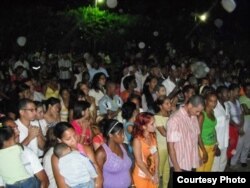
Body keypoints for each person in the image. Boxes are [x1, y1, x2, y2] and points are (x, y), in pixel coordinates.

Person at [51, 122, 102, 188]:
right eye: (68, 139)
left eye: (75, 135)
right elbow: (62, 185)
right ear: (59, 140)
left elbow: (97, 172)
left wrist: (96, 185)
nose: (74, 140)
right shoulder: (57, 157)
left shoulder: (86, 149)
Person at [167, 95, 207, 172]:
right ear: (190, 105)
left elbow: (194, 140)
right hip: (180, 164)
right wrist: (176, 167)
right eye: (197, 111)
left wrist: (198, 156)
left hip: (191, 162)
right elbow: (171, 147)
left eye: (200, 112)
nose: (198, 114)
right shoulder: (175, 120)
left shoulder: (193, 117)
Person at [95, 119, 132, 188]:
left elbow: (128, 168)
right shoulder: (101, 153)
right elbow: (98, 178)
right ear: (110, 135)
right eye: (119, 133)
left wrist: (132, 184)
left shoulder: (124, 146)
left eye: (123, 133)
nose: (123, 136)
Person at [132, 112, 159, 188]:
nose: (155, 125)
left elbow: (156, 155)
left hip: (152, 173)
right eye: (152, 124)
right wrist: (151, 177)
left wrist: (156, 172)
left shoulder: (152, 136)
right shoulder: (137, 140)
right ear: (144, 127)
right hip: (142, 176)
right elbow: (139, 162)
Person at [197, 92, 218, 172]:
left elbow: (213, 128)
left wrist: (216, 143)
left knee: (208, 170)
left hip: (212, 145)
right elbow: (197, 134)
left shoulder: (212, 112)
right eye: (211, 101)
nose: (213, 103)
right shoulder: (202, 115)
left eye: (215, 101)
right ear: (206, 101)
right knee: (200, 170)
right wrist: (203, 151)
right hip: (203, 146)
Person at [231, 83, 250, 167]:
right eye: (247, 89)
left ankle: (243, 159)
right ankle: (234, 160)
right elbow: (246, 111)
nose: (249, 91)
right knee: (240, 142)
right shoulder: (242, 98)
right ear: (245, 90)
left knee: (248, 142)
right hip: (244, 121)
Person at [154, 96, 171, 187]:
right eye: (167, 103)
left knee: (166, 171)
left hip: (169, 147)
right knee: (159, 172)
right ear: (160, 106)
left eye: (170, 103)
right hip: (161, 148)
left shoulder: (170, 115)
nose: (169, 105)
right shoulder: (157, 117)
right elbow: (164, 133)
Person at [211, 86, 230, 172]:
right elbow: (212, 127)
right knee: (215, 165)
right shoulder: (214, 108)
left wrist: (228, 139)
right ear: (219, 94)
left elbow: (227, 124)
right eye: (226, 93)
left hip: (225, 140)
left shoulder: (226, 105)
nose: (228, 94)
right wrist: (215, 144)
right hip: (217, 142)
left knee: (223, 162)